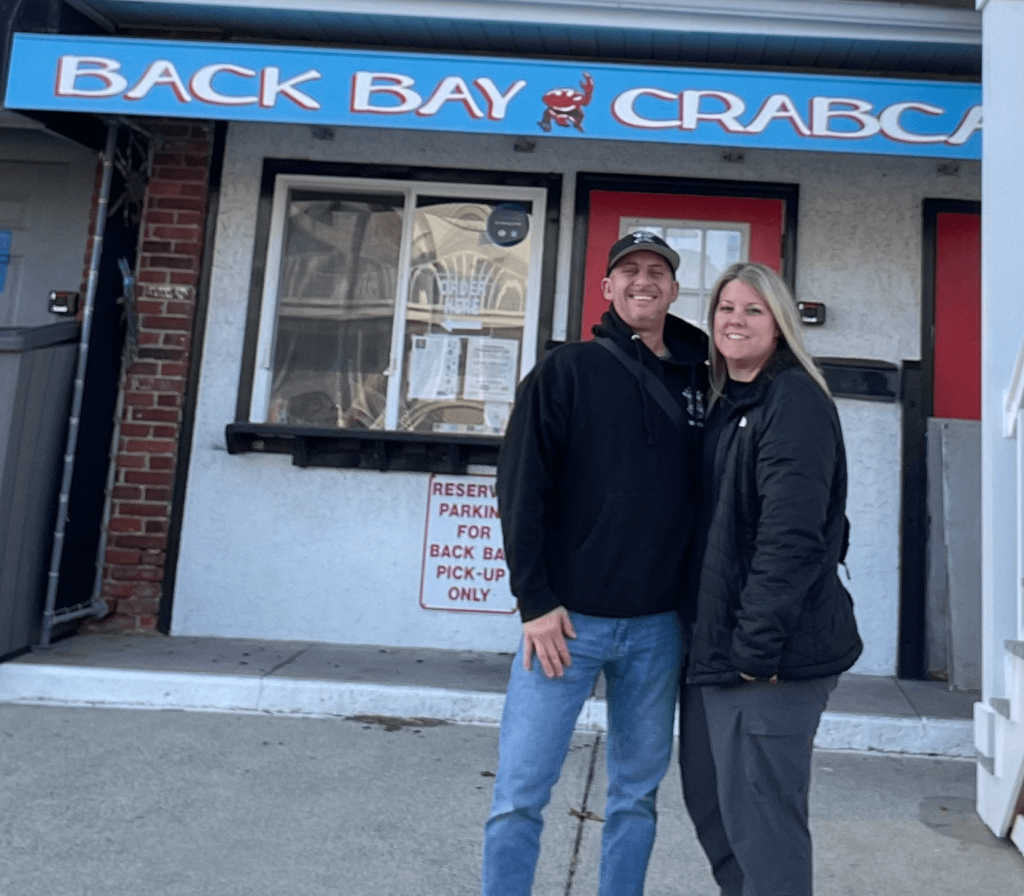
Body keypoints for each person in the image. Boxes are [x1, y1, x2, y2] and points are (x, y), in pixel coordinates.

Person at [482, 231, 708, 896]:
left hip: (660, 629)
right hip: (565, 626)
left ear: (673, 288)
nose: (644, 281)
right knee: (520, 792)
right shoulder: (566, 371)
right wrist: (535, 602)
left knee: (636, 797)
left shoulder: (703, 378)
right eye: (629, 271)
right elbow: (521, 490)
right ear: (607, 288)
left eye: (657, 271)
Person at [680, 262, 863, 896]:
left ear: (780, 324)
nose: (735, 320)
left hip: (767, 658)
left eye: (753, 310)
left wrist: (755, 651)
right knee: (719, 816)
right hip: (717, 651)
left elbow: (790, 538)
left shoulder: (793, 402)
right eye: (725, 308)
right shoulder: (734, 403)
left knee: (765, 833)